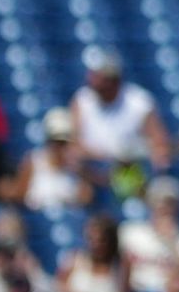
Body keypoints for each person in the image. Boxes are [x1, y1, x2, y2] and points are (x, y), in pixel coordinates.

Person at [69, 48, 171, 195]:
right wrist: (109, 158)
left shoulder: (139, 102)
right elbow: (74, 145)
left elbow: (159, 144)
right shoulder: (82, 101)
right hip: (94, 175)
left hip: (134, 173)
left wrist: (135, 155)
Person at [121, 178, 179, 292]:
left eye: (170, 203)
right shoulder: (131, 232)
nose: (164, 207)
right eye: (158, 200)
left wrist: (171, 241)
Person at [15, 107, 98, 210]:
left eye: (63, 142)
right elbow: (19, 197)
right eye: (55, 141)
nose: (59, 147)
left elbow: (87, 199)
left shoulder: (77, 169)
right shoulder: (33, 161)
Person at [58, 212, 134, 292]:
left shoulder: (121, 265)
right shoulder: (74, 259)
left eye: (102, 240)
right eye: (91, 239)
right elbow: (60, 288)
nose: (95, 245)